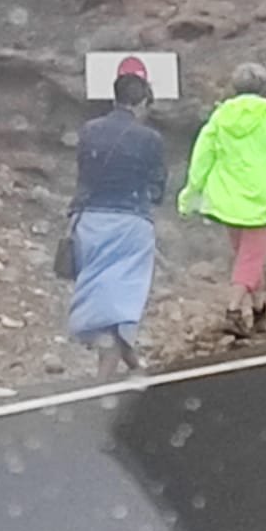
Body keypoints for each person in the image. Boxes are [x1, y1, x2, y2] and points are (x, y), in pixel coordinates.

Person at [178, 63, 266, 338]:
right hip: (265, 196)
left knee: (246, 258)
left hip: (227, 196)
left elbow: (202, 157)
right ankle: (233, 310)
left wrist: (191, 192)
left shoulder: (220, 117)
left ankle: (260, 313)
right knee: (251, 258)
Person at [67, 73, 168, 377]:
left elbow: (83, 173)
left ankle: (131, 361)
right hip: (130, 222)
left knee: (100, 287)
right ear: (141, 102)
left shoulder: (89, 131)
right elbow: (158, 189)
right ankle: (104, 378)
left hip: (88, 221)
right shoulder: (150, 139)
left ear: (115, 98)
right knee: (121, 296)